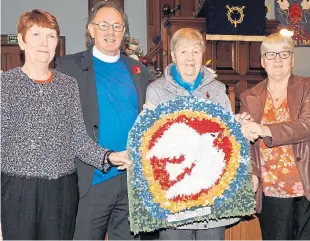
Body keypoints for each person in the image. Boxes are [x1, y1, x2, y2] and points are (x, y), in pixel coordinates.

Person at [1, 9, 131, 240]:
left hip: (62, 192)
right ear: (22, 41)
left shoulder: (67, 85)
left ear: (56, 44)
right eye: (36, 35)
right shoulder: (6, 85)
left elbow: (79, 140)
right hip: (18, 191)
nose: (44, 43)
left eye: (51, 36)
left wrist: (110, 157)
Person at [145, 28, 253, 240]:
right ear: (173, 56)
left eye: (195, 52)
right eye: (183, 52)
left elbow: (225, 136)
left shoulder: (217, 89)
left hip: (210, 186)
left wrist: (236, 125)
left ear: (203, 55)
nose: (190, 58)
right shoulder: (156, 90)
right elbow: (154, 145)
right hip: (174, 187)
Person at [55, 2, 149, 240]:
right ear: (91, 29)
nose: (111, 32)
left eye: (117, 26)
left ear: (124, 32)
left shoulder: (138, 69)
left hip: (130, 181)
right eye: (104, 25)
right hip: (91, 179)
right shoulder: (68, 67)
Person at [240, 33, 310, 240]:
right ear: (262, 61)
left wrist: (265, 129)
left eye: (284, 54)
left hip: (305, 184)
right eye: (270, 54)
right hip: (271, 188)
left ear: (292, 59)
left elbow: (306, 125)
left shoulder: (307, 87)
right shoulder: (249, 97)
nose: (277, 60)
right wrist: (252, 172)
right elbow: (247, 144)